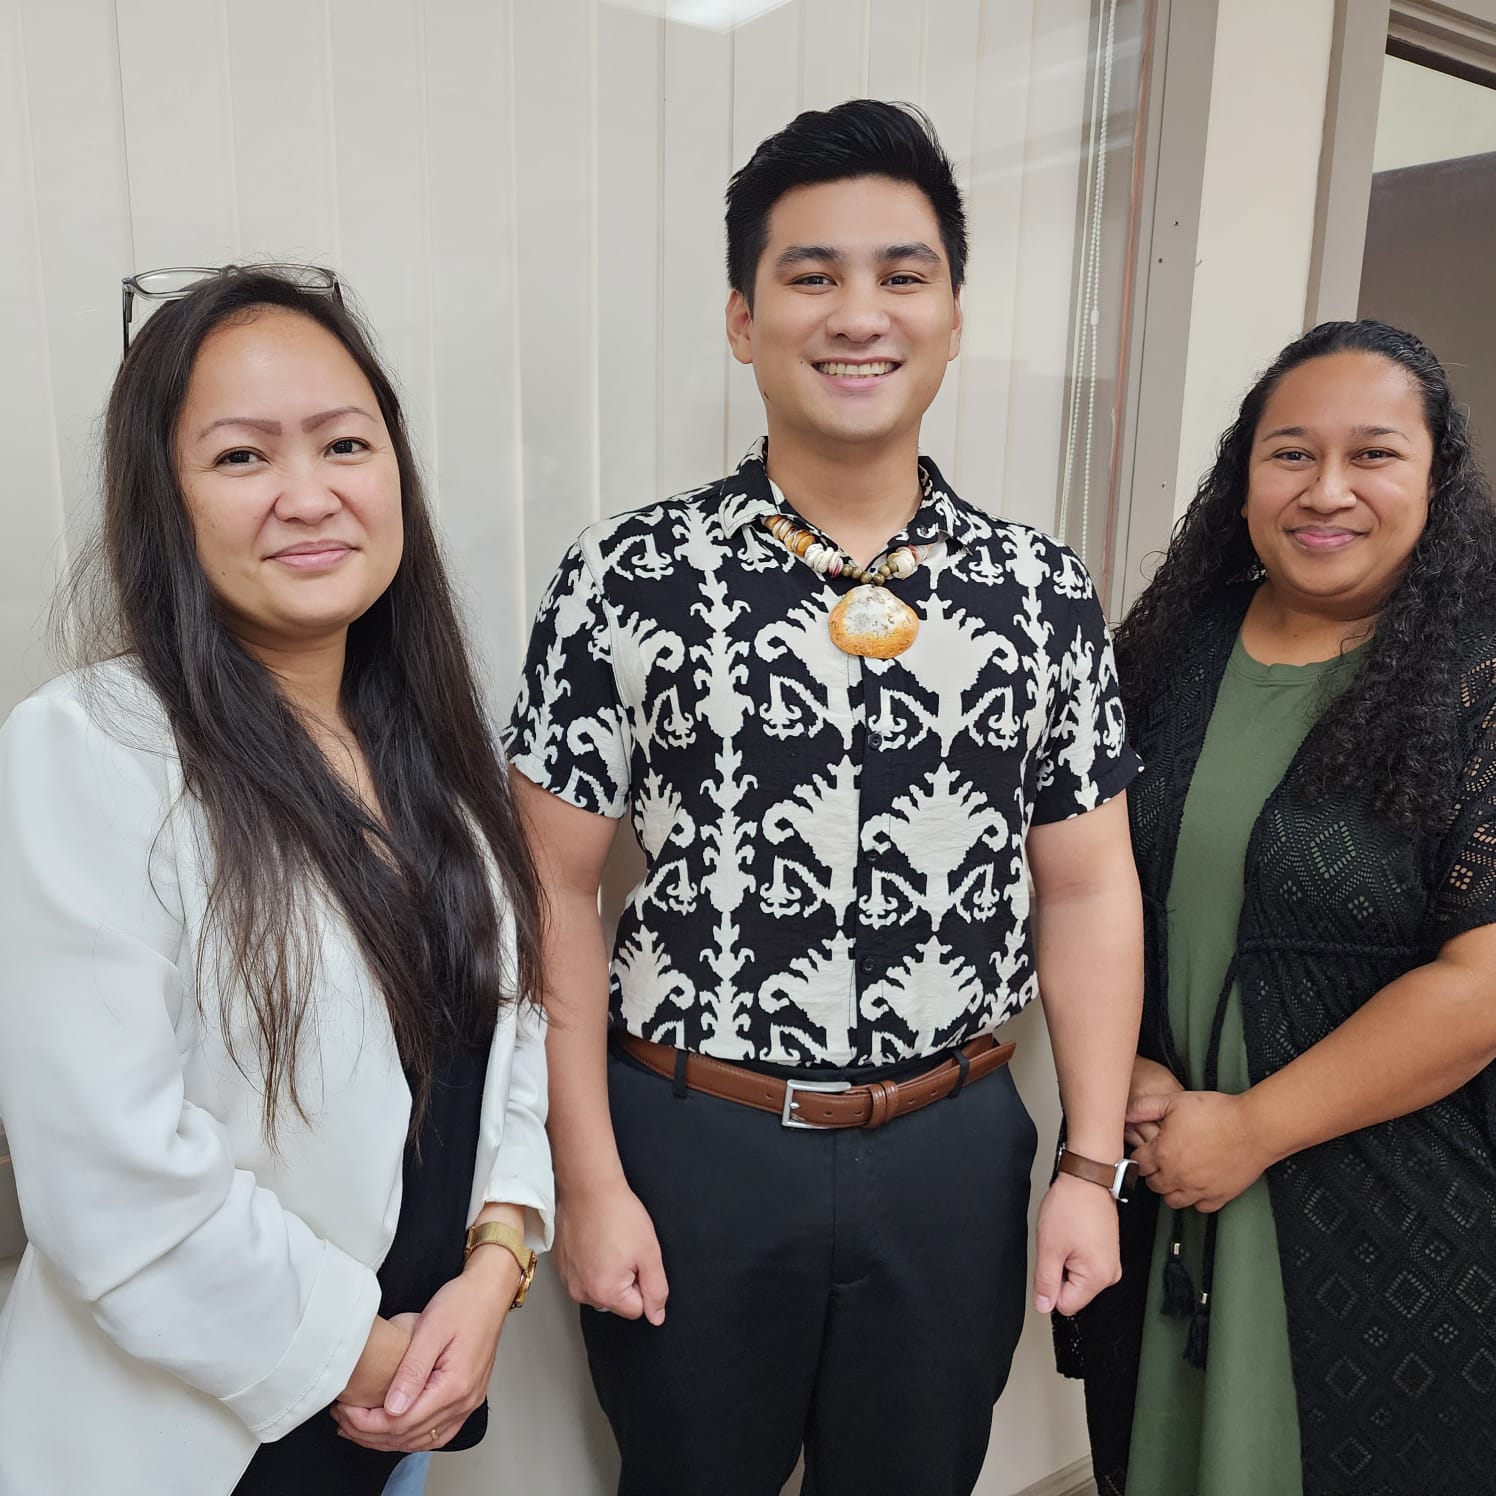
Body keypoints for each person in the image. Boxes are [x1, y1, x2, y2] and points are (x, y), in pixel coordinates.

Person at [506, 100, 1143, 1496]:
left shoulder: (1043, 590)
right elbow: (546, 884)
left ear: (956, 314)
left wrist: (1090, 1168)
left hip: (955, 1149)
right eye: (813, 275)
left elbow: (1088, 883)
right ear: (744, 319)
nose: (861, 313)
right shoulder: (628, 574)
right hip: (694, 1140)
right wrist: (593, 1181)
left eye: (903, 275)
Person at [0, 267, 553, 1496]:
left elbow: (508, 1040)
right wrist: (364, 1348)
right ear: (166, 501)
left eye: (345, 444)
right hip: (198, 1439)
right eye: (242, 458)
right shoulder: (89, 747)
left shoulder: (429, 758)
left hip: (395, 1420)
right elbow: (108, 1175)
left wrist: (498, 1256)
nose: (310, 494)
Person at [1057, 320, 1496, 1495]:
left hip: (1383, 1210)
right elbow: (1076, 881)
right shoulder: (1165, 650)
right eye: (1290, 453)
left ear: (1437, 477)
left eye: (1374, 455)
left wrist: (1250, 1129)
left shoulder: (1479, 680)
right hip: (1164, 1177)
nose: (1327, 490)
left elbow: (1481, 983)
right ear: (1241, 475)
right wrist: (1120, 1071)